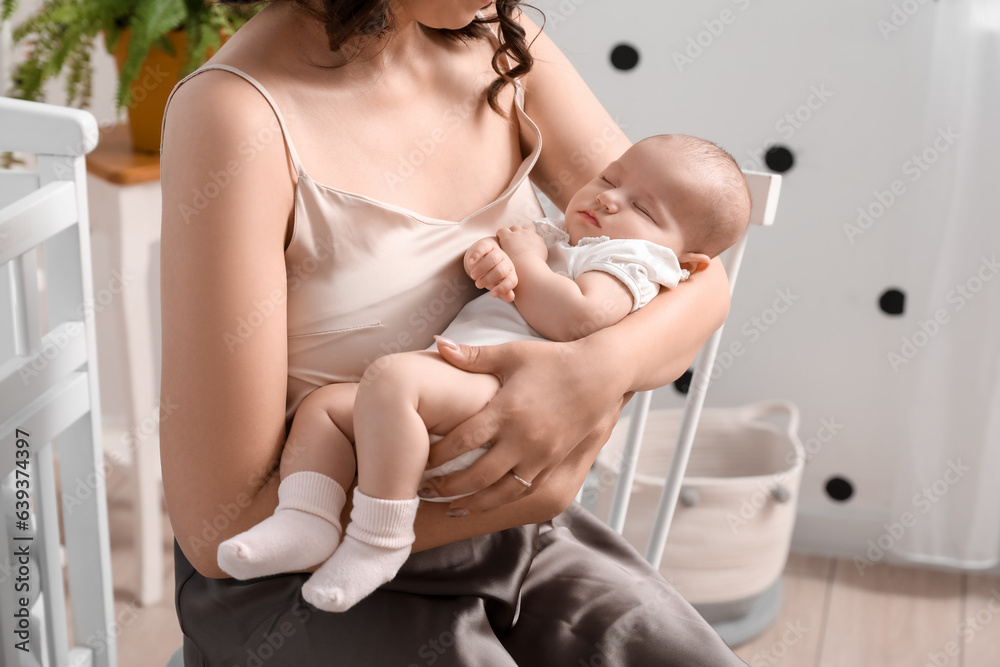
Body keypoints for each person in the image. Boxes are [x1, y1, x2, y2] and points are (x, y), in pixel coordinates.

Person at [159, 0, 749, 663]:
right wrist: (532, 490)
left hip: (513, 532)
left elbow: (696, 274)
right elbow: (219, 527)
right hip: (299, 560)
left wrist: (595, 373)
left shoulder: (504, 40)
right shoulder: (236, 114)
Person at [214, 134, 752, 615]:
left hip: (506, 396)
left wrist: (527, 259)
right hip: (460, 383)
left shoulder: (631, 264)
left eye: (643, 208)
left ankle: (380, 539)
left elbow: (576, 319)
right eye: (610, 178)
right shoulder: (566, 240)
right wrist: (491, 262)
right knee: (326, 408)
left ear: (686, 263)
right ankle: (307, 516)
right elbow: (513, 278)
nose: (609, 198)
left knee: (392, 380)